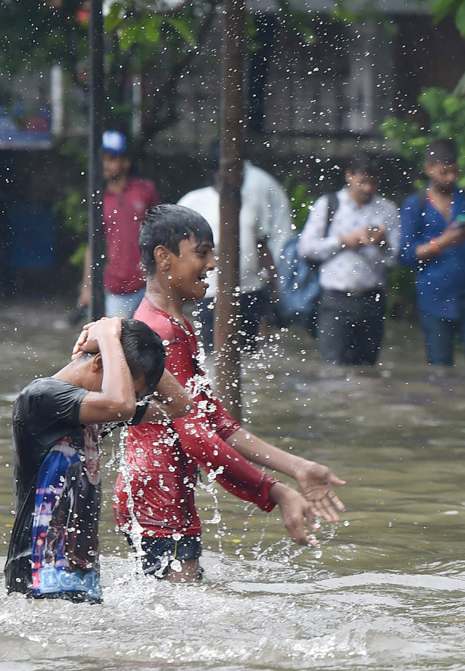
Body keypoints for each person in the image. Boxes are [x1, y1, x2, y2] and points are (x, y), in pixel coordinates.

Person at [116, 205, 347, 581]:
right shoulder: (161, 333)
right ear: (164, 257)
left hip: (156, 494)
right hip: (159, 499)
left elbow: (214, 421)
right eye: (202, 253)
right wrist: (274, 492)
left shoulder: (178, 325)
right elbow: (196, 437)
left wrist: (298, 468)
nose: (212, 264)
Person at [5, 317, 191, 602]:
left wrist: (125, 338)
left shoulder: (96, 412)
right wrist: (107, 336)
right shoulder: (41, 397)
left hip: (80, 576)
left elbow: (180, 405)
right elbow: (122, 404)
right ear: (100, 364)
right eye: (127, 385)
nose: (130, 397)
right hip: (37, 574)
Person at [178, 152, 294, 351]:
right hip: (210, 291)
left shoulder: (251, 202)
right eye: (233, 171)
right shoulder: (194, 202)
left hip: (249, 290)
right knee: (211, 352)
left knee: (249, 355)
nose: (239, 176)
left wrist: (274, 283)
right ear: (216, 172)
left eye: (241, 171)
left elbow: (261, 246)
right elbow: (179, 249)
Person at [297, 152, 400, 365]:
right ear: (349, 176)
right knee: (333, 367)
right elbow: (306, 248)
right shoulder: (328, 204)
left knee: (368, 369)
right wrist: (344, 240)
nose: (368, 189)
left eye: (373, 183)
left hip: (373, 299)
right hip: (335, 299)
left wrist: (382, 243)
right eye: (362, 182)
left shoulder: (387, 210)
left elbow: (396, 260)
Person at [398, 139, 465, 366]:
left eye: (454, 171)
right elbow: (405, 255)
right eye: (444, 172)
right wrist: (442, 242)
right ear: (429, 169)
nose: (450, 178)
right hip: (434, 297)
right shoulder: (415, 205)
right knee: (439, 367)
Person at [76, 131, 160, 319]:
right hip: (116, 285)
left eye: (112, 158)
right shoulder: (99, 199)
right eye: (102, 159)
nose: (106, 164)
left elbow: (161, 228)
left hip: (148, 282)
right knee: (118, 341)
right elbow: (93, 244)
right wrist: (87, 287)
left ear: (126, 162)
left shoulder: (145, 190)